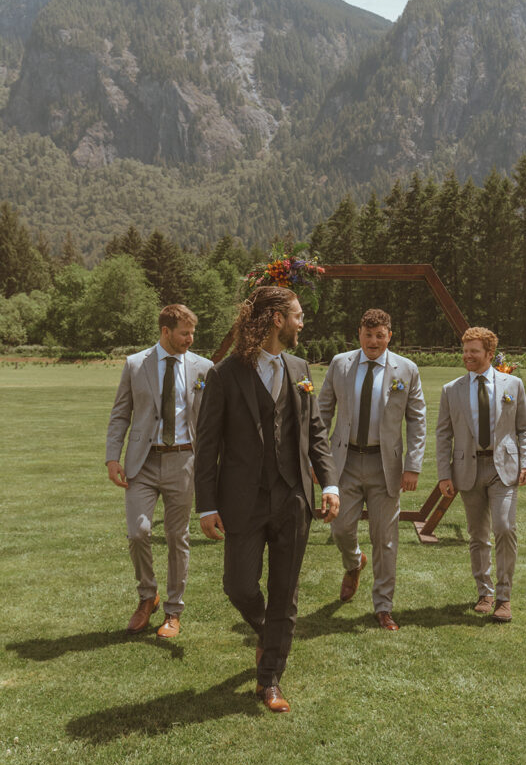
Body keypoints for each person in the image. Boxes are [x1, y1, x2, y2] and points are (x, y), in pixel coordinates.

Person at [195, 286, 339, 713]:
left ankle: (270, 678)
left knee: (285, 591)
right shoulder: (225, 373)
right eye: (296, 315)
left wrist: (329, 484)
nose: (301, 322)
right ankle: (268, 633)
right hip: (242, 500)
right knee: (238, 585)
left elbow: (315, 434)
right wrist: (206, 504)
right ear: (277, 318)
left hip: (294, 498)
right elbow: (207, 446)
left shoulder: (300, 368)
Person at [106, 304, 213, 638]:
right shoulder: (136, 364)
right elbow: (121, 412)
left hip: (184, 462)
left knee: (176, 536)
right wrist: (113, 457)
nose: (190, 339)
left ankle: (173, 611)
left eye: (192, 333)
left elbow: (211, 420)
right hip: (143, 461)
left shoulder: (204, 368)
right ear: (166, 332)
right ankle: (147, 596)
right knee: (138, 532)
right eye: (184, 333)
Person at [318, 308, 426, 630]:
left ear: (389, 335)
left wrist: (413, 466)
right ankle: (354, 563)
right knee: (339, 528)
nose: (374, 342)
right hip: (345, 462)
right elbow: (322, 411)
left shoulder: (406, 370)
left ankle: (383, 607)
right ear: (359, 334)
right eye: (368, 335)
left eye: (380, 336)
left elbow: (417, 421)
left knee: (385, 538)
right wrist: (319, 461)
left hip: (385, 466)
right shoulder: (340, 364)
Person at [436, 326, 526, 622]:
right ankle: (485, 592)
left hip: (502, 468)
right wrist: (444, 474)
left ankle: (504, 598)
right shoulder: (451, 390)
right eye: (465, 351)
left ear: (489, 354)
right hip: (467, 469)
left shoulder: (512, 385)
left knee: (504, 527)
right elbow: (443, 435)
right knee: (477, 534)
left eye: (474, 351)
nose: (467, 356)